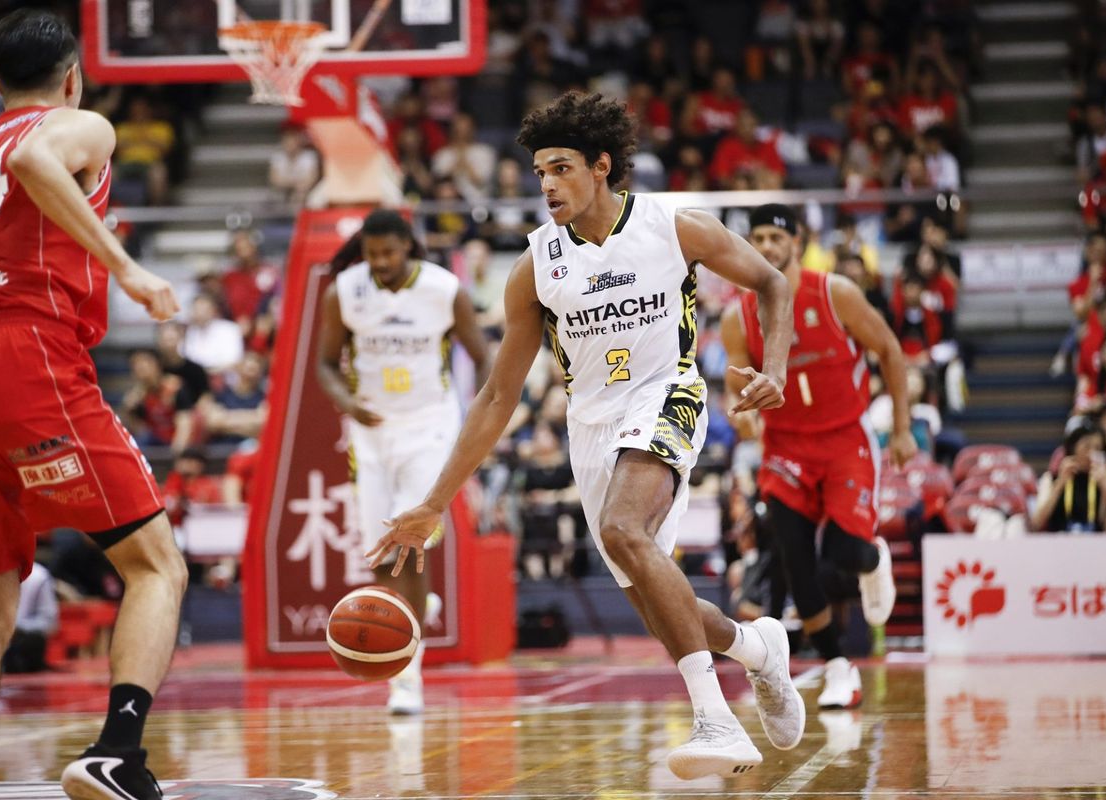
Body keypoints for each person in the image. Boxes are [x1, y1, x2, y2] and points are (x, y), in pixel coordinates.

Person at [366, 92, 804, 780]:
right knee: (660, 606)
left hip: (667, 394)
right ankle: (758, 649)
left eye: (561, 168)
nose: (546, 184)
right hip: (591, 425)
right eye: (540, 171)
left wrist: (774, 368)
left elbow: (772, 283)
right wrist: (432, 503)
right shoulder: (535, 267)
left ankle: (715, 721)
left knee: (625, 530)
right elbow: (496, 396)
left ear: (602, 166)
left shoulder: (673, 227)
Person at [0, 11, 187, 800]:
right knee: (155, 566)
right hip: (22, 351)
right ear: (73, 77)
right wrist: (127, 269)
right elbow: (34, 156)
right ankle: (117, 753)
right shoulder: (79, 125)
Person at [722, 204, 912, 711]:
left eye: (775, 237)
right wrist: (741, 416)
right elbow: (732, 386)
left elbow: (890, 349)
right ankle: (837, 667)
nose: (766, 246)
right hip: (785, 449)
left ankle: (873, 560)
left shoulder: (835, 293)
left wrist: (901, 428)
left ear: (798, 242)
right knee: (795, 561)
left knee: (844, 554)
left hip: (845, 439)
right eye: (758, 237)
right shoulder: (738, 315)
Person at [317, 209, 491, 715]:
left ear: (408, 247)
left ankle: (406, 676)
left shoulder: (443, 289)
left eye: (389, 253)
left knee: (407, 542)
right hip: (371, 433)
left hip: (429, 427)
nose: (380, 262)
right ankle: (415, 608)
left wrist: (472, 416)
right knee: (381, 551)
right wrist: (347, 403)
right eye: (372, 254)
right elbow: (326, 364)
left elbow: (483, 356)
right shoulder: (344, 292)